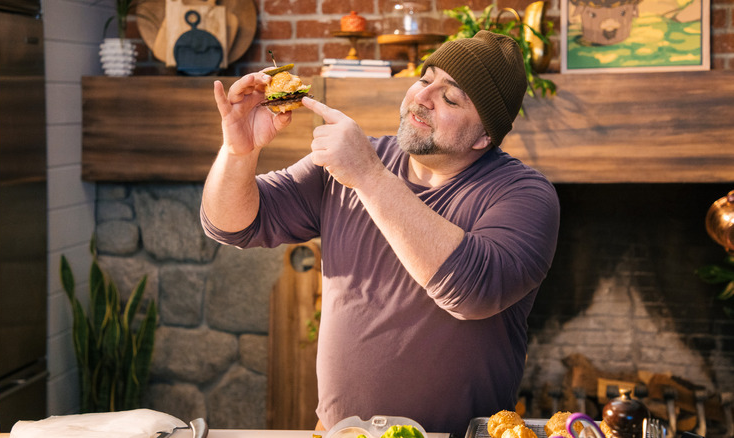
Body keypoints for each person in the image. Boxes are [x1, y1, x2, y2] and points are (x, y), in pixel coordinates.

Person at [201, 30, 561, 437]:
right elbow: (231, 225)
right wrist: (239, 152)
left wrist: (369, 176)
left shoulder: (525, 195)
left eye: (451, 98)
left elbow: (471, 290)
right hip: (339, 432)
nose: (423, 98)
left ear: (484, 137)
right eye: (426, 80)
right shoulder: (351, 163)